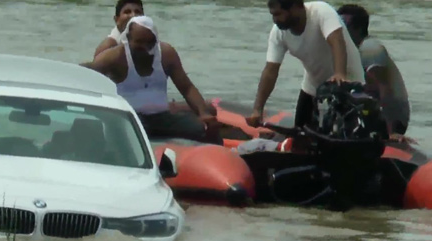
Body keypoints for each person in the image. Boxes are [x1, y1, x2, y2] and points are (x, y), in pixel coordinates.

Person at [81, 15, 222, 144]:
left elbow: (186, 87)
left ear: (155, 39)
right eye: (139, 42)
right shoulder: (115, 57)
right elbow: (87, 73)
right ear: (128, 39)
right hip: (131, 120)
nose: (145, 47)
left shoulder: (166, 54)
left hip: (162, 118)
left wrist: (203, 112)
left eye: (149, 42)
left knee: (204, 129)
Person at [246, 0, 365, 133]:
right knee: (300, 133)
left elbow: (337, 41)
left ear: (297, 7)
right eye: (273, 15)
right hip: (313, 86)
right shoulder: (278, 33)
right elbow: (270, 71)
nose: (275, 20)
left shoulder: (321, 11)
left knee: (343, 135)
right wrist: (258, 109)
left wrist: (340, 74)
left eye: (278, 14)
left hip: (348, 82)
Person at [337, 4, 412, 139]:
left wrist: (392, 132)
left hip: (393, 119)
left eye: (343, 27)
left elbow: (384, 89)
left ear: (358, 29)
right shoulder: (349, 51)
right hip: (368, 111)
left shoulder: (369, 49)